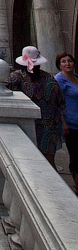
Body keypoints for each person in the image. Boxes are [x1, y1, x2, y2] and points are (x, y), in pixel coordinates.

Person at [9, 46, 65, 168]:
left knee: (38, 161)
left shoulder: (17, 77)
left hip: (41, 125)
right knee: (45, 160)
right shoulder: (49, 78)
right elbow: (61, 104)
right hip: (46, 125)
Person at [54, 52, 78, 193]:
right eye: (63, 62)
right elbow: (57, 103)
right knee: (75, 155)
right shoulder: (59, 80)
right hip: (70, 123)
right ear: (59, 65)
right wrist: (63, 123)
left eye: (69, 61)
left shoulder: (76, 78)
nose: (67, 64)